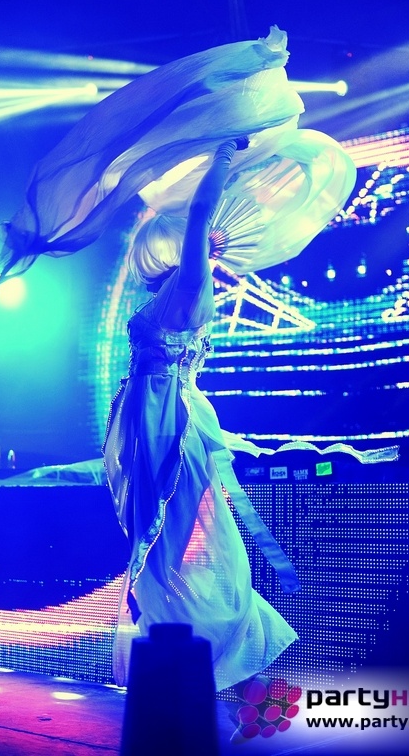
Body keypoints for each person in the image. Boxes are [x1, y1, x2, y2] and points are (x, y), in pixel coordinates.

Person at [103, 137, 300, 693]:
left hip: (169, 422)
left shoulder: (188, 293)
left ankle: (232, 674)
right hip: (156, 419)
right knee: (161, 549)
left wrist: (224, 158)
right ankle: (223, 684)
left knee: (167, 544)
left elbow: (197, 215)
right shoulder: (176, 294)